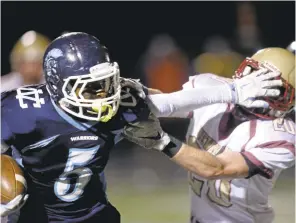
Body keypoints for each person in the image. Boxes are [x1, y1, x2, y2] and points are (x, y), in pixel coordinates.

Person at [1, 32, 283, 223]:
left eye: (106, 84)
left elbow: (172, 102)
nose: (104, 96)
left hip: (95, 215)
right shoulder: (21, 109)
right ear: (57, 86)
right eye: (90, 89)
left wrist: (234, 91)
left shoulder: (117, 104)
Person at [123, 47, 295, 223]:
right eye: (261, 82)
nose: (265, 94)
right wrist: (135, 94)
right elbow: (170, 101)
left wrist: (162, 141)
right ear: (246, 72)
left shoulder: (281, 137)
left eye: (278, 91)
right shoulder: (214, 88)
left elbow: (217, 168)